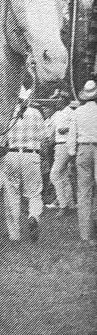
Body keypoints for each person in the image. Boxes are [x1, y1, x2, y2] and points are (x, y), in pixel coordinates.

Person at [3, 90, 47, 242]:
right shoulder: (36, 113)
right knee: (34, 193)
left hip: (11, 154)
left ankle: (14, 235)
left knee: (12, 194)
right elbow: (43, 136)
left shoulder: (9, 113)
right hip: (31, 154)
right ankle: (33, 215)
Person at [67, 79, 97, 245]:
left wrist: (72, 153)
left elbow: (72, 135)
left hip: (83, 149)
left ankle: (86, 234)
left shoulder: (77, 112)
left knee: (84, 192)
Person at [45, 93, 77, 215]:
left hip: (66, 144)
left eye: (59, 99)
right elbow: (50, 130)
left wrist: (67, 129)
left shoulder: (71, 112)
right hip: (58, 145)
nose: (57, 102)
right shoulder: (57, 114)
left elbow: (77, 127)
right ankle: (71, 204)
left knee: (54, 175)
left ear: (65, 101)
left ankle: (63, 205)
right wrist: (48, 139)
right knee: (63, 175)